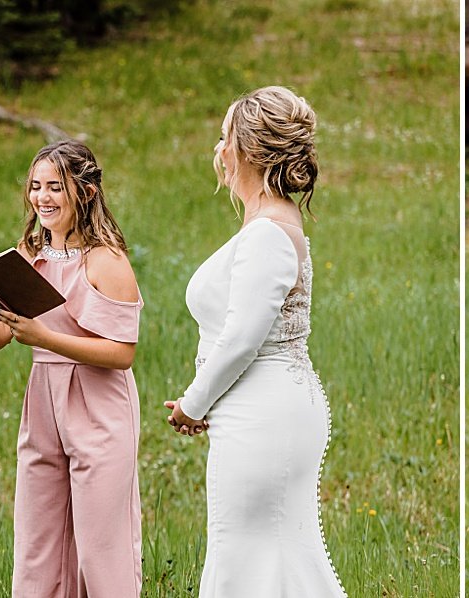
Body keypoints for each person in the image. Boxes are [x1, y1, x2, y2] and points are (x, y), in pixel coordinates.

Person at [0, 140, 144, 597]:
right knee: (37, 542)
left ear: (85, 192)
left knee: (99, 548)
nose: (42, 198)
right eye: (35, 187)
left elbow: (122, 353)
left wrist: (45, 337)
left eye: (55, 187)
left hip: (99, 407)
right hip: (44, 403)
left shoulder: (106, 260)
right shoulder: (28, 254)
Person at [164, 86, 344, 596]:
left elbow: (244, 339)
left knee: (243, 557)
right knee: (274, 557)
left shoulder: (267, 232)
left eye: (225, 138)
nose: (218, 149)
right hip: (259, 406)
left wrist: (193, 404)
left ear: (245, 151)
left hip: (262, 414)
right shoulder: (271, 226)